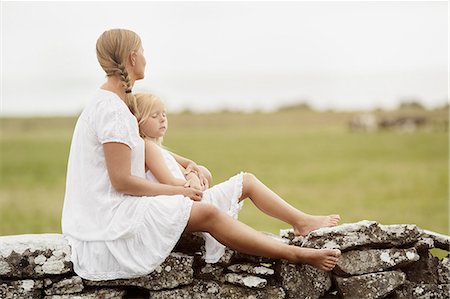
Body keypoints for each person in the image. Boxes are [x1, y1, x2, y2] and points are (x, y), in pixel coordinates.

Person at [62, 29, 340, 282]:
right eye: (143, 52)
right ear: (132, 58)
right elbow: (122, 182)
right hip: (110, 221)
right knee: (207, 212)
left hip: (121, 208)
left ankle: (300, 223)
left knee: (219, 199)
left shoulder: (115, 105)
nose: (146, 58)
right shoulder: (111, 110)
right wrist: (176, 191)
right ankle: (292, 254)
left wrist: (187, 172)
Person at [130, 92, 341, 264]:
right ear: (138, 122)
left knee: (247, 181)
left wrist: (194, 171)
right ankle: (300, 226)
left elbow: (192, 165)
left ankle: (301, 221)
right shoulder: (147, 147)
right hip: (183, 207)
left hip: (190, 201)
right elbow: (172, 183)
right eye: (154, 115)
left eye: (164, 114)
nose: (162, 119)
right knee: (247, 181)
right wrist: (191, 180)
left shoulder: (157, 147)